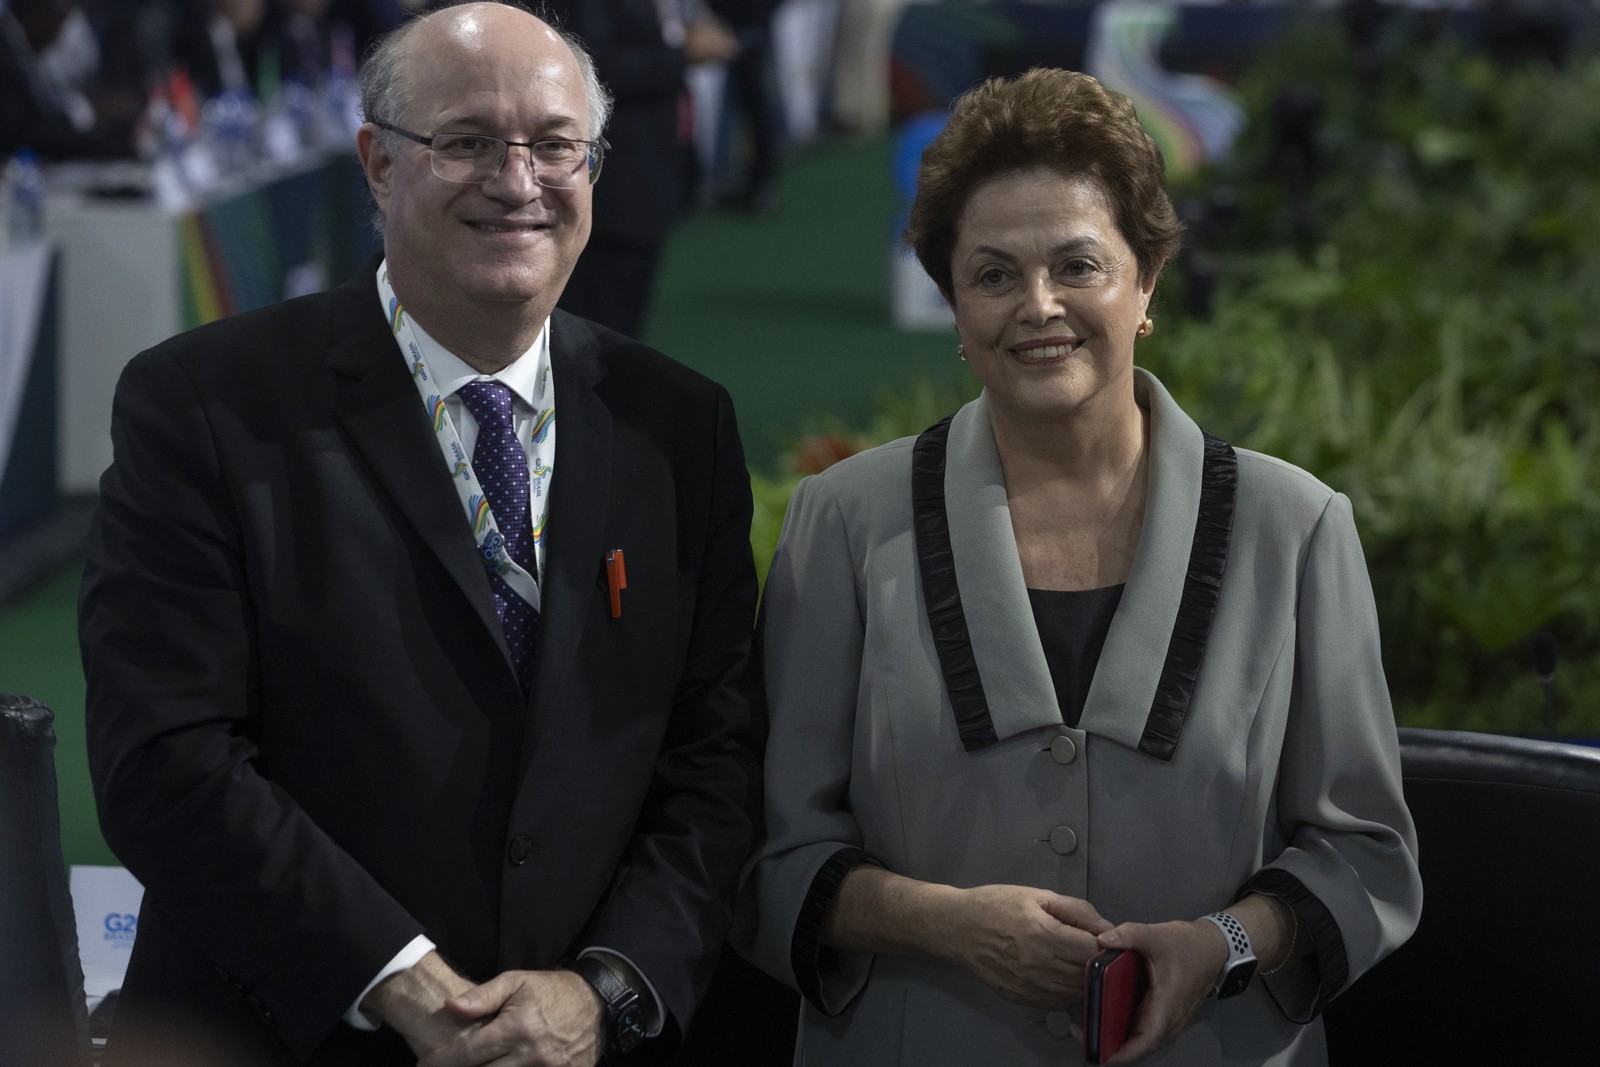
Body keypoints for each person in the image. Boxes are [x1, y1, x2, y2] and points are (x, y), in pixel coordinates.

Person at [78, 4, 761, 1066]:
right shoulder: (206, 404)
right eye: (466, 142)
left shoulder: (679, 422)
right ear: (378, 164)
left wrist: (605, 985)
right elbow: (165, 759)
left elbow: (716, 758)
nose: (517, 180)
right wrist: (399, 978)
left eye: (553, 145)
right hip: (284, 1032)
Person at [734, 68, 1421, 1066]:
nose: (1038, 305)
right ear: (953, 306)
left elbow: (1367, 852)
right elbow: (768, 854)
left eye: (1077, 265)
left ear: (1145, 282)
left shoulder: (1297, 525)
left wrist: (1220, 941)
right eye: (994, 273)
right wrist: (946, 923)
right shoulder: (842, 522)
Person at [542, 0, 741, 339]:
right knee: (594, 333)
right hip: (613, 189)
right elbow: (589, 67)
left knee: (621, 333)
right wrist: (683, 54)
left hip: (649, 178)